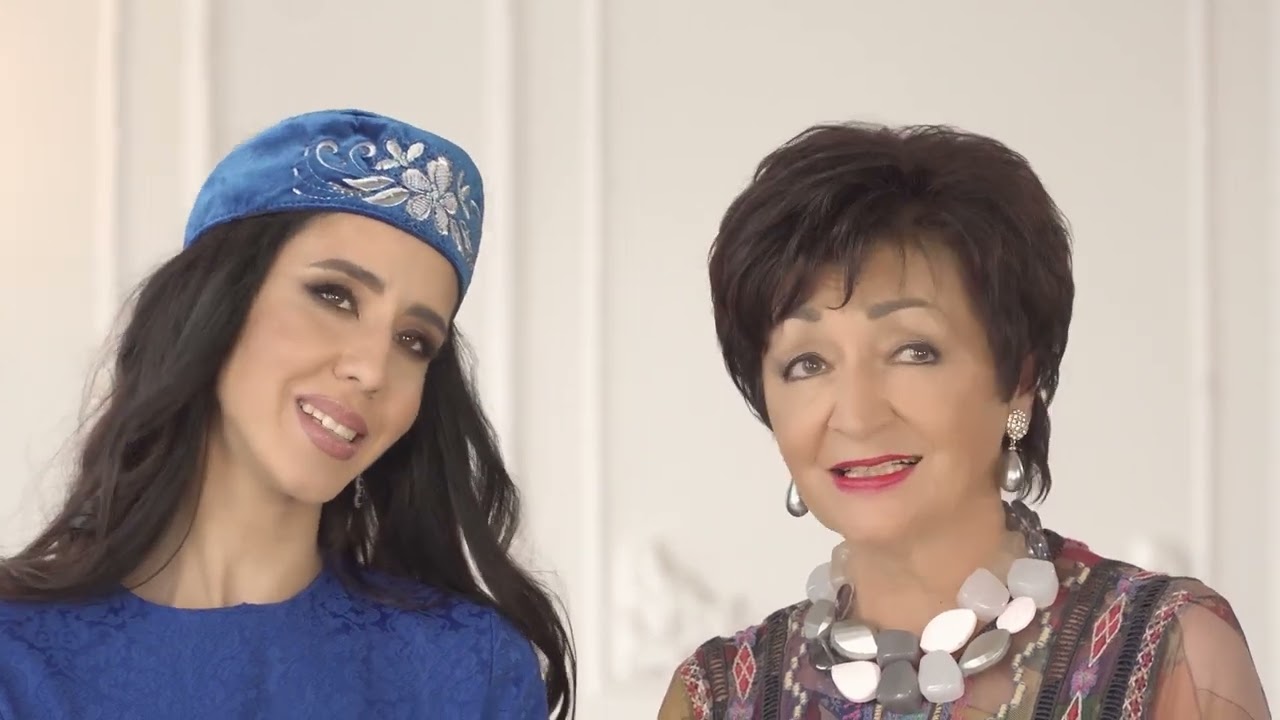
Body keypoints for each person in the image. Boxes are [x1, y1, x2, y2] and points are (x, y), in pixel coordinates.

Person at [657, 123, 1269, 719]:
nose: (857, 416)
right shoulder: (716, 697)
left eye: (913, 351)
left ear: (1020, 379)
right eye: (807, 363)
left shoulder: (1166, 655)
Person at [0, 109, 575, 719]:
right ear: (216, 301)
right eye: (335, 296)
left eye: (413, 341)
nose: (373, 369)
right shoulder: (18, 657)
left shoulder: (470, 667)